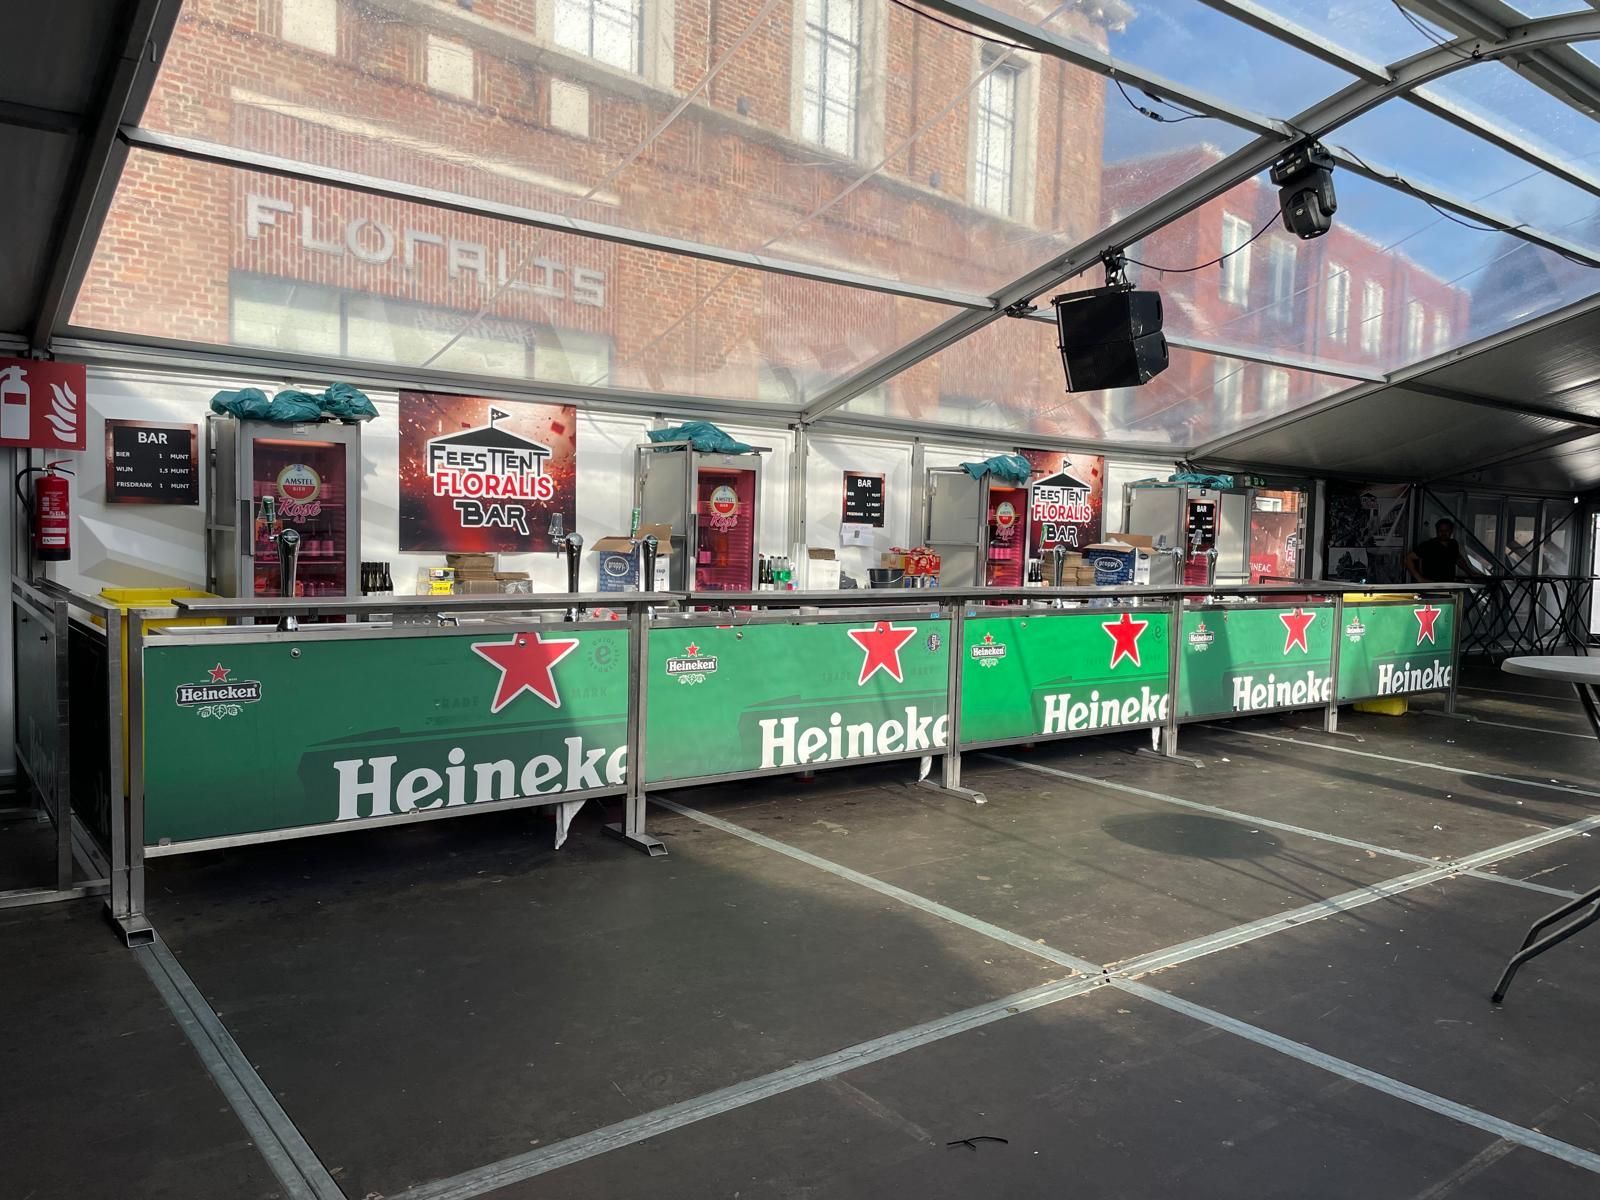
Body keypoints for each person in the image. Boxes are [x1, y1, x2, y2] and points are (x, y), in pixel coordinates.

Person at [1404, 519, 1483, 583]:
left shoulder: (1453, 544)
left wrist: (1470, 573)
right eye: (1440, 531)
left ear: (1451, 531)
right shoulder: (1429, 545)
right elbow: (1408, 558)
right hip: (1432, 585)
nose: (1443, 533)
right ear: (1436, 531)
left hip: (1449, 585)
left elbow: (1458, 559)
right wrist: (1419, 578)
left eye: (1446, 530)